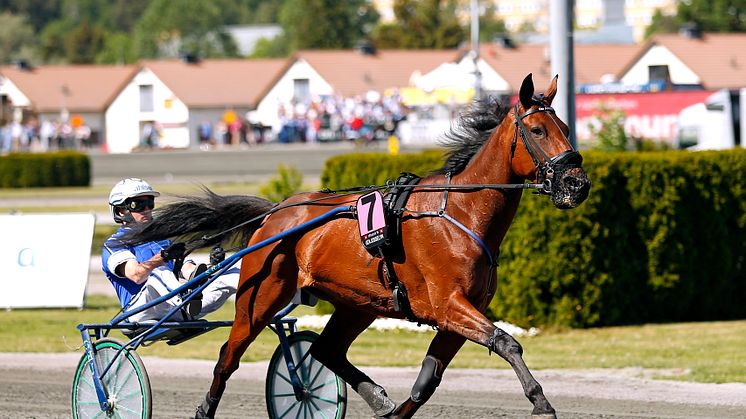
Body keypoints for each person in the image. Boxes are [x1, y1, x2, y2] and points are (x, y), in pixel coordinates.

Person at [102, 178, 238, 322]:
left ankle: (263, 302)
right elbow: (137, 275)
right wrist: (162, 257)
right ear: (121, 210)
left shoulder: (161, 239)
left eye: (149, 203)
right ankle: (186, 301)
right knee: (159, 271)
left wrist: (212, 266)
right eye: (138, 205)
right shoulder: (115, 244)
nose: (147, 209)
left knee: (234, 267)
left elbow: (186, 270)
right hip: (140, 311)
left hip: (173, 307)